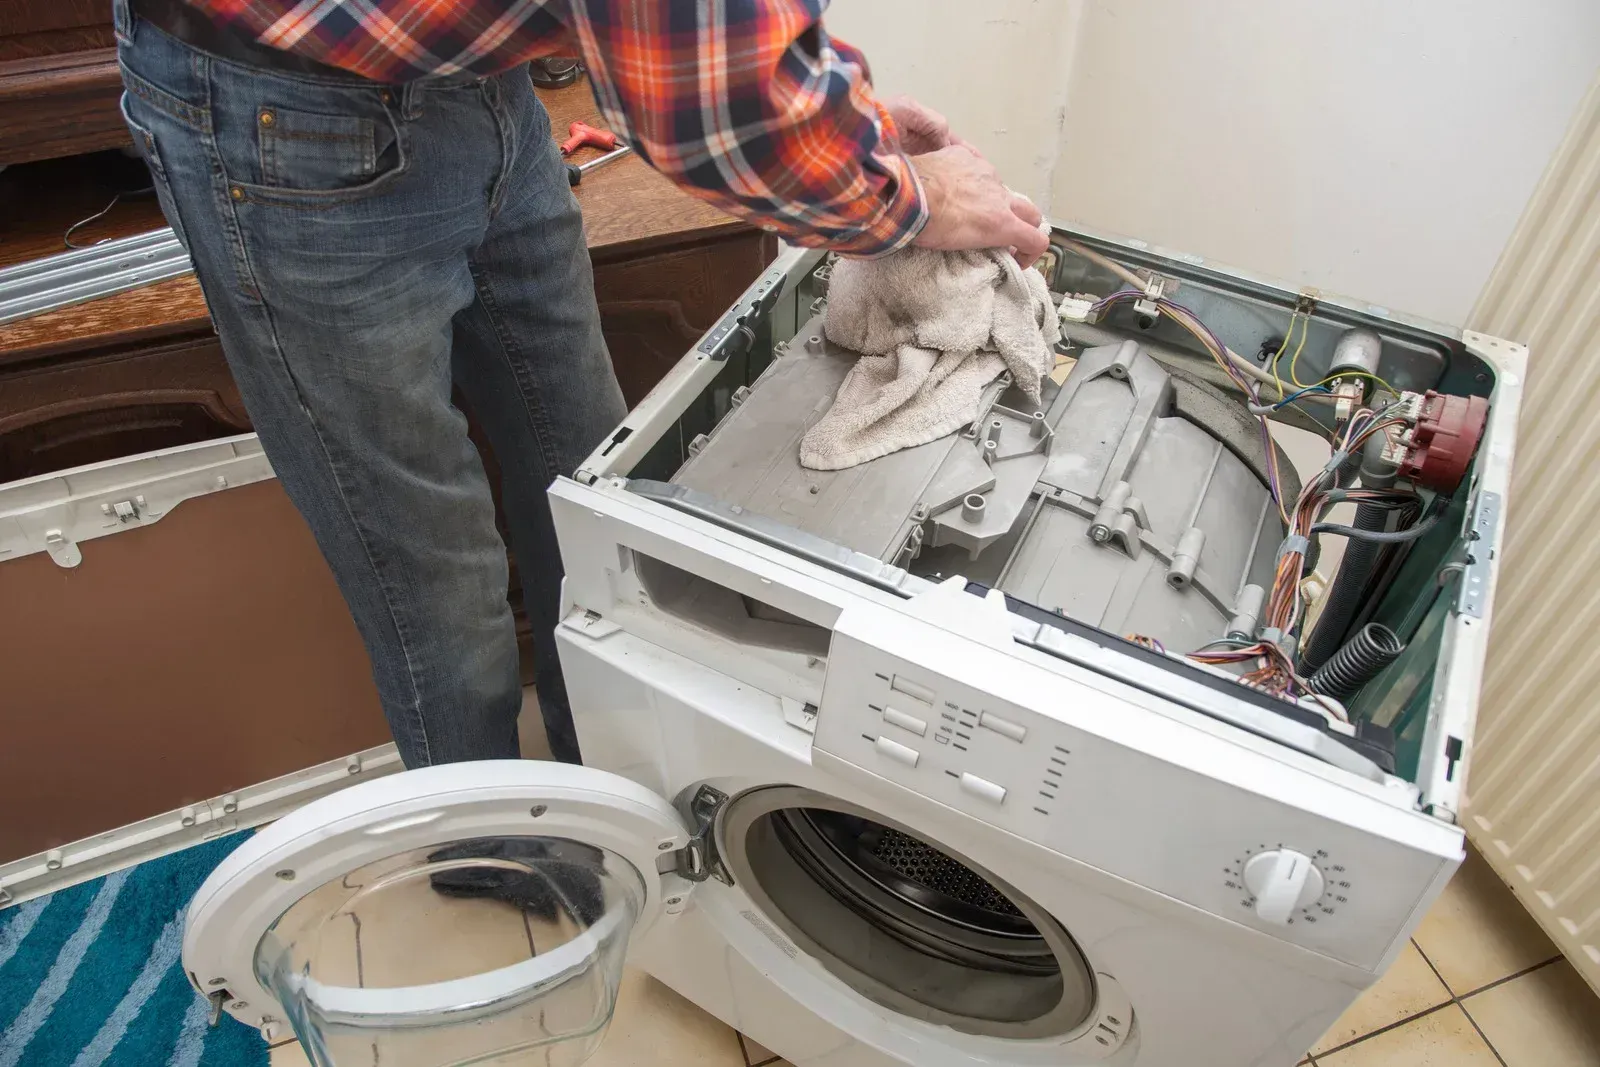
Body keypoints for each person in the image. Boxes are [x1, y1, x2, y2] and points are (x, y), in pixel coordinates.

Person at [112, 0, 1049, 769]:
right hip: (284, 121)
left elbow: (732, 39)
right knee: (431, 571)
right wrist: (908, 195)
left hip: (488, 90)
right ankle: (492, 856)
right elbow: (708, 90)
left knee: (589, 485)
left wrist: (851, 131)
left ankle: (603, 782)